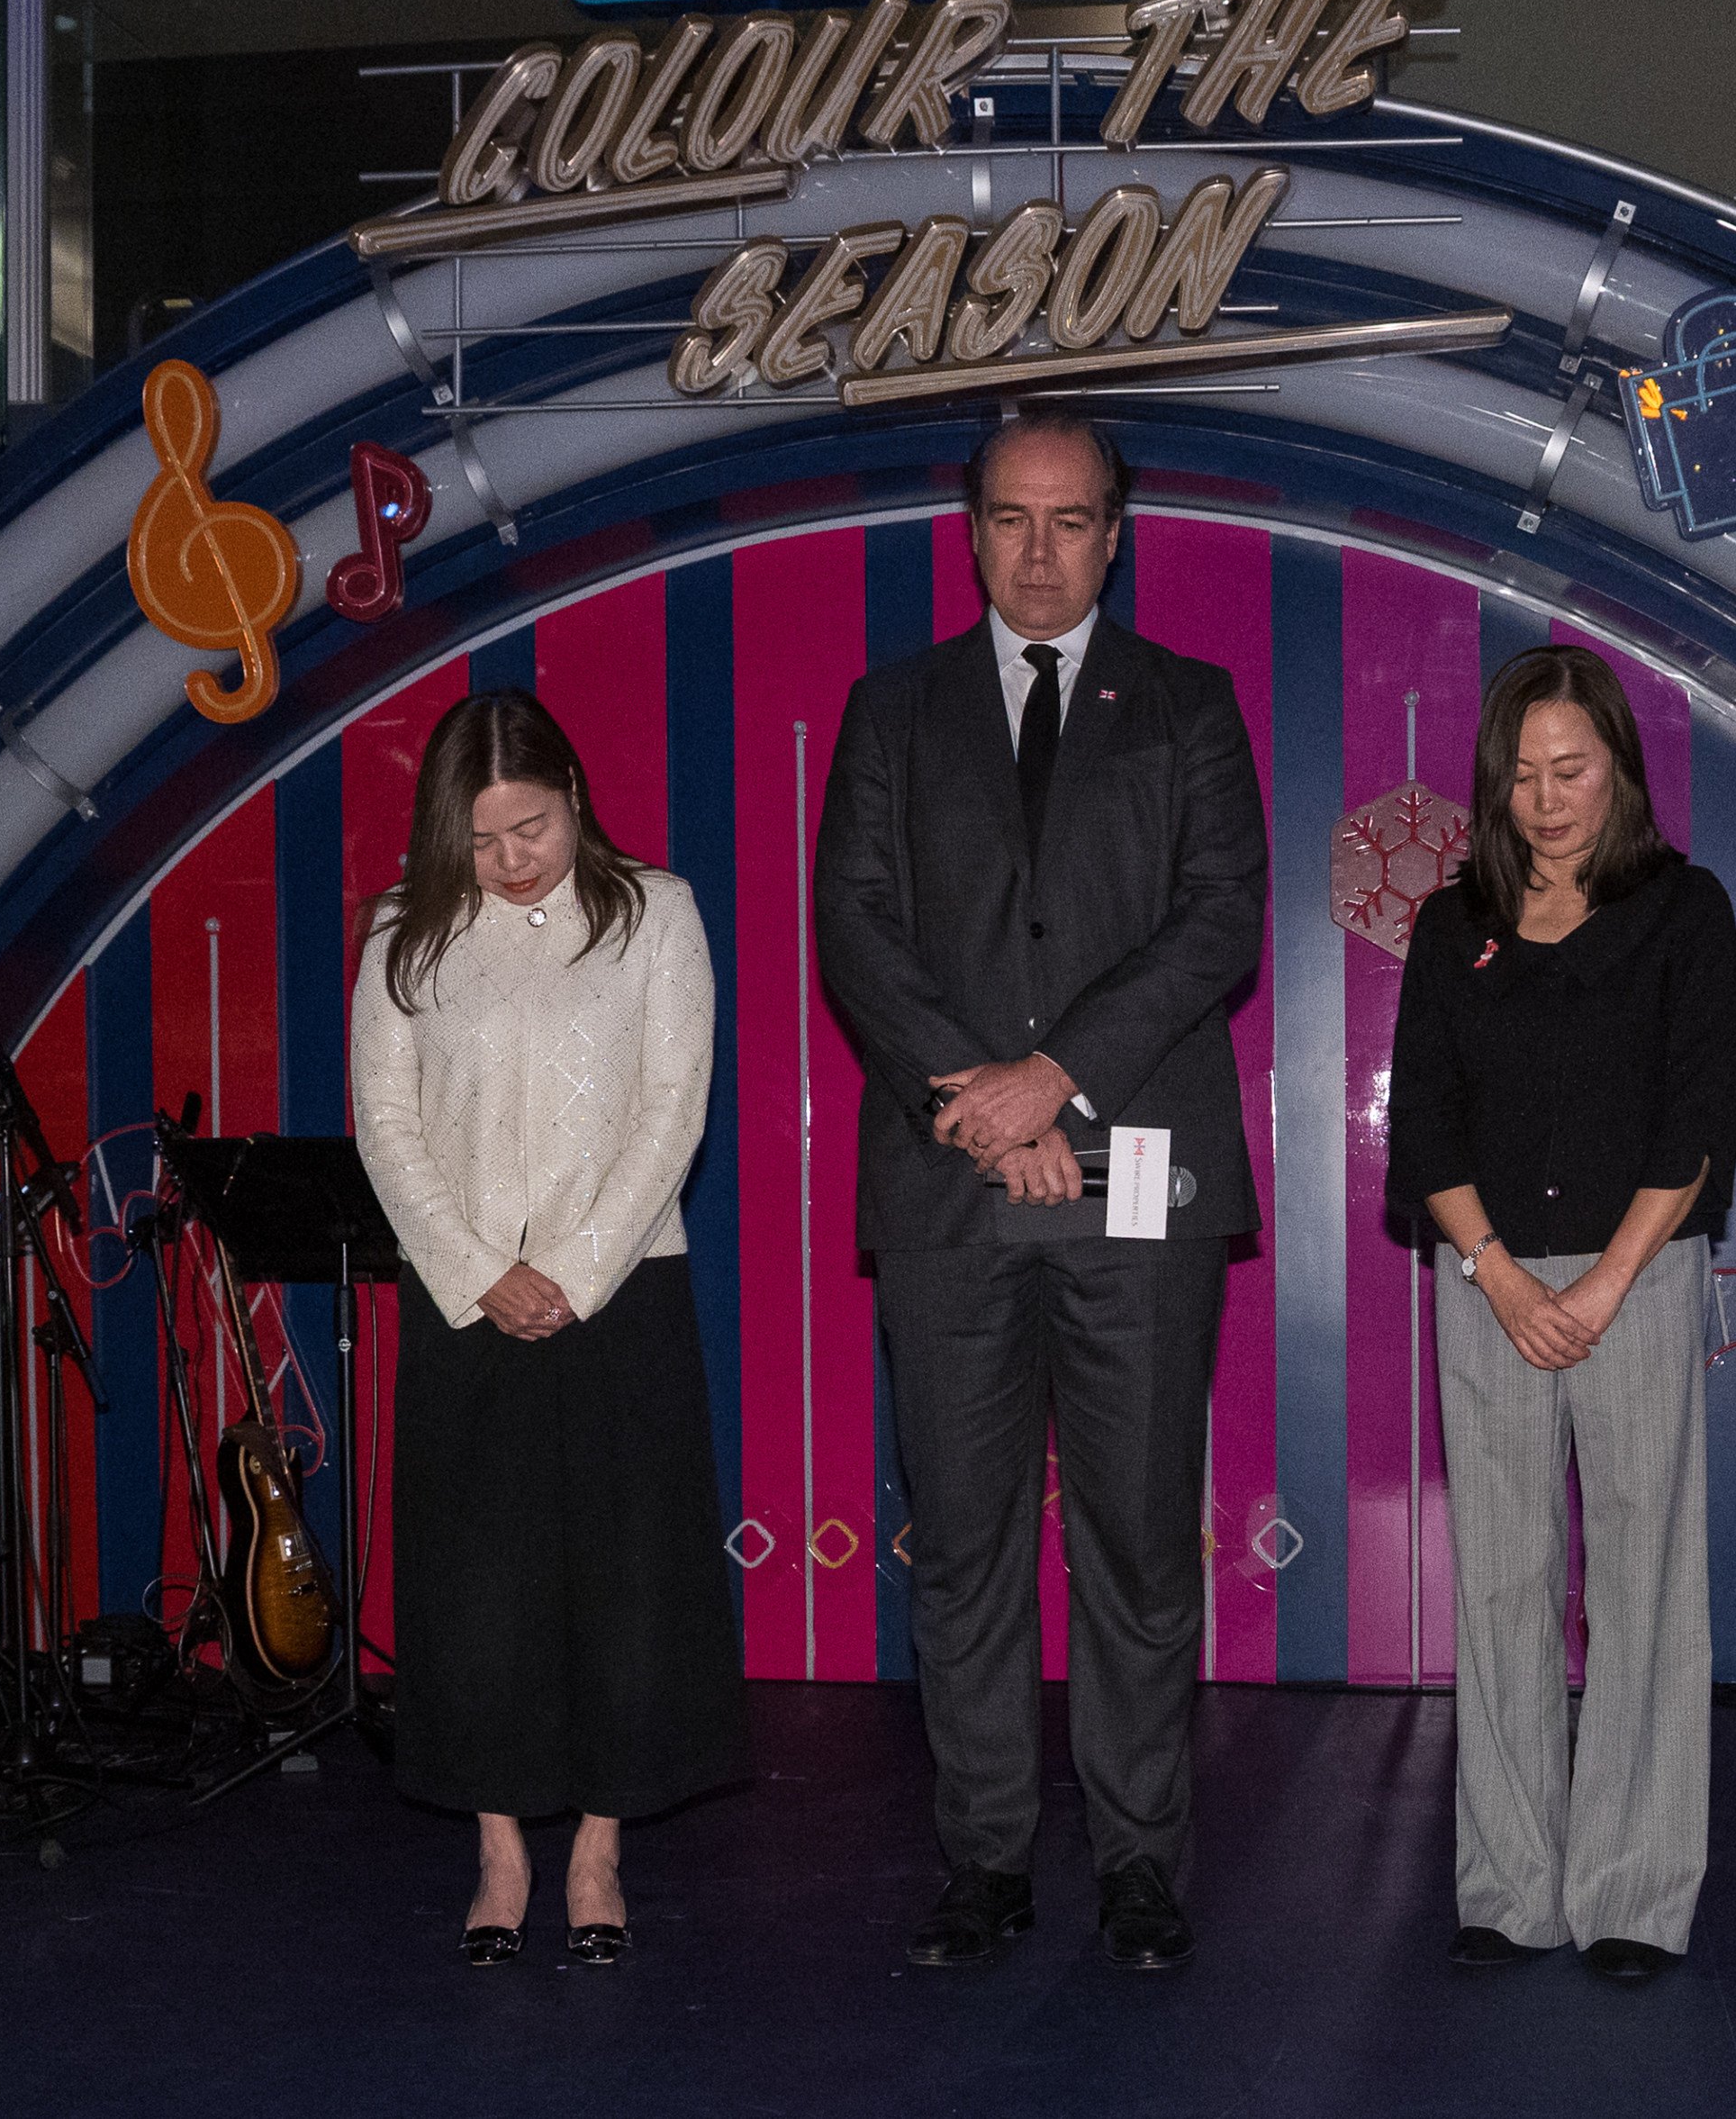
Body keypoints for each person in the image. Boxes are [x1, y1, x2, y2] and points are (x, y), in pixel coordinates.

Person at [813, 408, 1267, 1971]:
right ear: (972, 528)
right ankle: (985, 1861)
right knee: (970, 1544)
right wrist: (984, 1103)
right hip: (950, 1189)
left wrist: (1051, 1076)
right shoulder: (891, 709)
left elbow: (1218, 924)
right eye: (1011, 517)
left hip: (1133, 1189)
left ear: (1117, 531)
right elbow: (857, 933)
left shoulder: (1193, 708)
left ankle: (1142, 1865)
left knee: (1141, 1542)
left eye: (1070, 520)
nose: (1038, 549)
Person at [349, 689, 745, 1966]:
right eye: (486, 836)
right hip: (465, 1304)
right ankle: (501, 1846)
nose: (516, 856)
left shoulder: (655, 915)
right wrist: (480, 1271)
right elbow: (387, 1129)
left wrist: (572, 1268)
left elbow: (671, 1113)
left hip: (622, 1295)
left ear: (575, 793)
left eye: (534, 824)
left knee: (627, 1583)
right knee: (480, 1587)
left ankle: (599, 1848)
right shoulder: (404, 934)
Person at [1387, 644, 1736, 1982]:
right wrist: (1502, 1275)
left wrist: (1598, 1283)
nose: (1547, 797)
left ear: (1619, 770)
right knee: (1499, 1581)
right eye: (1524, 773)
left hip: (1638, 1277)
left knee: (1648, 1581)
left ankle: (1634, 1892)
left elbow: (1699, 1117)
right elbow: (1419, 1120)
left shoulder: (1684, 908)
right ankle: (1508, 1883)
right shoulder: (1449, 921)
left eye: (1572, 769)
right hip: (1484, 1282)